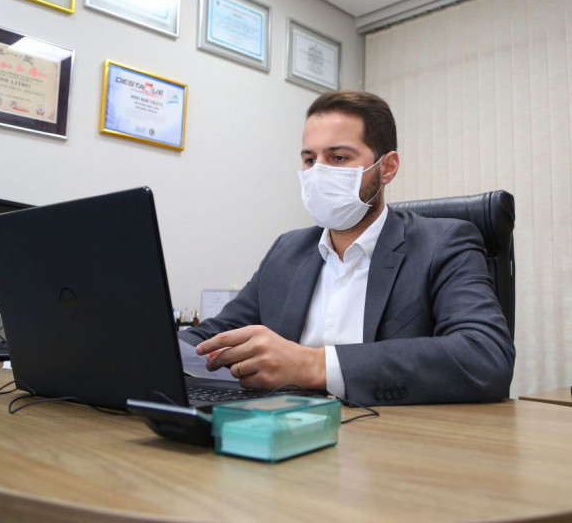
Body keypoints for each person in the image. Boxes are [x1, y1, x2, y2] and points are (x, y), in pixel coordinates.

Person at [180, 90, 515, 406]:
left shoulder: (443, 243)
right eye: (310, 160)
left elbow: (485, 357)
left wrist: (313, 365)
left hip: (391, 443)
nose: (319, 172)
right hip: (287, 432)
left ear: (387, 167)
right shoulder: (287, 251)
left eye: (338, 157)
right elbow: (211, 339)